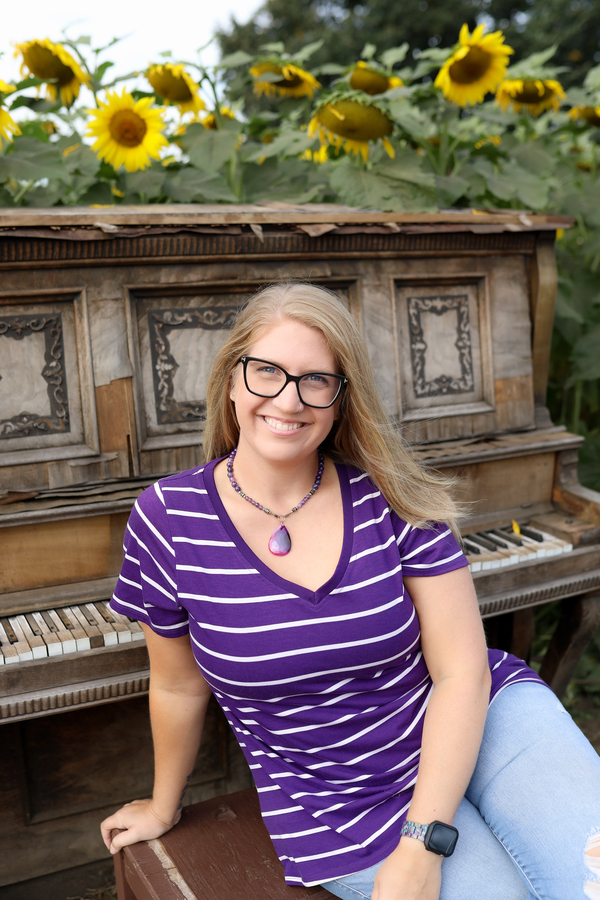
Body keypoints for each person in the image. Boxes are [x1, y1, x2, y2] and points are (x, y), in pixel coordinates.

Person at [101, 282, 600, 900]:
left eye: (316, 380)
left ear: (341, 400)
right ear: (230, 380)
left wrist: (423, 841)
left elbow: (462, 673)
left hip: (482, 718)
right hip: (341, 803)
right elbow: (178, 685)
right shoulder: (168, 518)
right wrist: (162, 805)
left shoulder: (392, 494)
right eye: (267, 371)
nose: (288, 399)